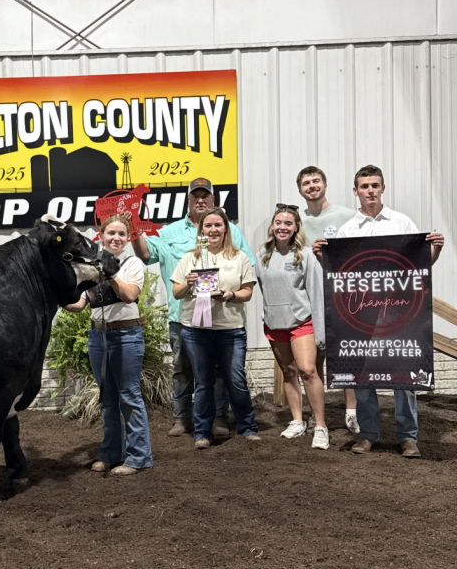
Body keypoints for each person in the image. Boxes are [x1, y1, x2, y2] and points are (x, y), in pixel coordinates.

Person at [312, 164, 444, 460]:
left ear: (383, 188)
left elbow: (419, 267)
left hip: (399, 314)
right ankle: (368, 434)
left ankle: (408, 437)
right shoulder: (347, 230)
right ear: (355, 191)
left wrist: (435, 251)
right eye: (364, 186)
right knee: (362, 375)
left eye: (374, 185)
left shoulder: (402, 222)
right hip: (361, 316)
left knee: (405, 375)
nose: (370, 191)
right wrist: (322, 257)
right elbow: (340, 276)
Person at [133, 178, 256, 440]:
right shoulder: (169, 232)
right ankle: (182, 418)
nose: (200, 200)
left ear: (213, 200)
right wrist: (133, 228)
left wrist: (232, 293)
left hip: (223, 320)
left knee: (219, 373)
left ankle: (219, 418)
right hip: (184, 318)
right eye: (195, 196)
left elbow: (247, 268)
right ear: (188, 200)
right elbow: (145, 254)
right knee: (182, 370)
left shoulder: (232, 232)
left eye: (205, 196)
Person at [66, 213, 152, 476]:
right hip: (98, 336)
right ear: (101, 236)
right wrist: (57, 293)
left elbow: (129, 295)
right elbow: (79, 304)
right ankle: (111, 453)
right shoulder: (90, 267)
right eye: (111, 233)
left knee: (129, 396)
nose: (116, 238)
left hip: (126, 335)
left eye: (121, 234)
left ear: (127, 238)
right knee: (107, 398)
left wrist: (110, 272)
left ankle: (139, 456)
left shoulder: (132, 263)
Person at [170, 209, 260, 447]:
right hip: (196, 329)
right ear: (201, 230)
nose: (213, 230)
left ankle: (247, 426)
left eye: (218, 225)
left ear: (226, 228)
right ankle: (202, 431)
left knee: (236, 379)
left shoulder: (239, 257)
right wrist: (188, 283)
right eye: (208, 226)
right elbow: (176, 292)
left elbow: (248, 292)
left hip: (231, 329)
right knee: (203, 382)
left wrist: (231, 295)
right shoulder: (190, 258)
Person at [255, 205, 330, 450]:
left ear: (296, 227)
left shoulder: (306, 255)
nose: (283, 227)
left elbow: (316, 294)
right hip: (275, 323)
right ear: (272, 225)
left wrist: (320, 331)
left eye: (288, 223)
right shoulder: (262, 255)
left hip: (301, 322)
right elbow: (264, 289)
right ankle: (297, 421)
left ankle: (320, 425)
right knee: (288, 372)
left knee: (308, 370)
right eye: (278, 222)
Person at [296, 165, 359, 434]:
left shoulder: (347, 215)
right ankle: (316, 414)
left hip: (344, 295)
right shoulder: (296, 220)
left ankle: (352, 411)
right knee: (314, 358)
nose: (312, 186)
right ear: (300, 190)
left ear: (325, 184)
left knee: (347, 354)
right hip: (310, 297)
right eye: (306, 183)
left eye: (316, 181)